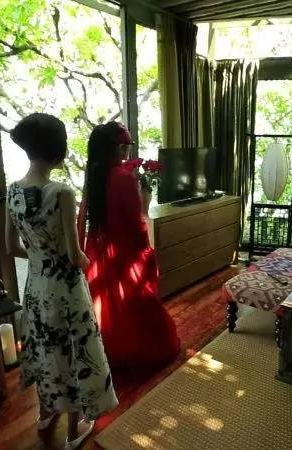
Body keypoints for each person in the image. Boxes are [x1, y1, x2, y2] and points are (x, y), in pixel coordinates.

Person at [5, 113, 117, 449]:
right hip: (66, 289)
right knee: (74, 352)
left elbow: (11, 247)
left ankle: (44, 414)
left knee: (45, 348)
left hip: (36, 287)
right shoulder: (62, 192)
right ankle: (71, 433)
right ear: (58, 148)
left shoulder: (12, 191)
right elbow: (73, 254)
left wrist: (39, 257)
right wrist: (85, 260)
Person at [78, 122, 180, 370]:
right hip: (124, 249)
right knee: (137, 300)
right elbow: (136, 222)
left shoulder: (93, 175)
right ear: (113, 148)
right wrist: (146, 251)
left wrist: (81, 248)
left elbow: (82, 216)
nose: (128, 149)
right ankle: (140, 350)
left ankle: (109, 351)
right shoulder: (123, 178)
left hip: (98, 248)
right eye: (124, 144)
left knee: (106, 301)